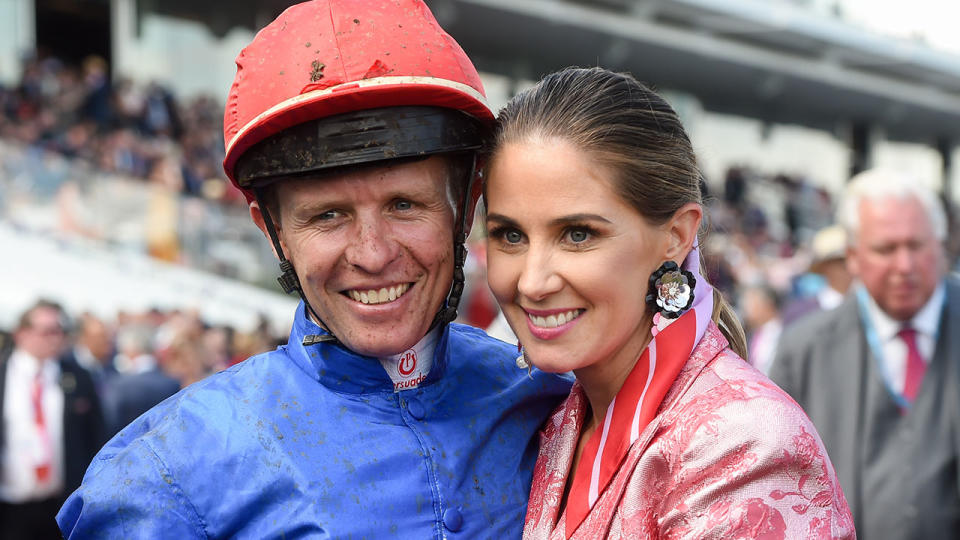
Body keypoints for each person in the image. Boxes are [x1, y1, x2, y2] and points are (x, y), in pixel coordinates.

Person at [57, 1, 570, 538]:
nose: (372, 255)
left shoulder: (555, 400)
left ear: (465, 207)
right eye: (328, 216)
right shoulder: (161, 476)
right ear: (272, 230)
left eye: (404, 204)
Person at [483, 67, 854, 539]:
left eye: (578, 234)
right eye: (509, 235)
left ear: (676, 237)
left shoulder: (743, 443)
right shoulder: (558, 418)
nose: (532, 282)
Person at [771, 168, 960, 539]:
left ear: (941, 246)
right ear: (853, 258)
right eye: (886, 249)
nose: (904, 266)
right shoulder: (804, 351)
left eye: (917, 245)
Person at [0, 301, 104, 540]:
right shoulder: (5, 373)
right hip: (9, 505)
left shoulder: (77, 376)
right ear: (21, 333)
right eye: (47, 331)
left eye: (60, 331)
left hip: (58, 504)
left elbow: (95, 434)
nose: (55, 338)